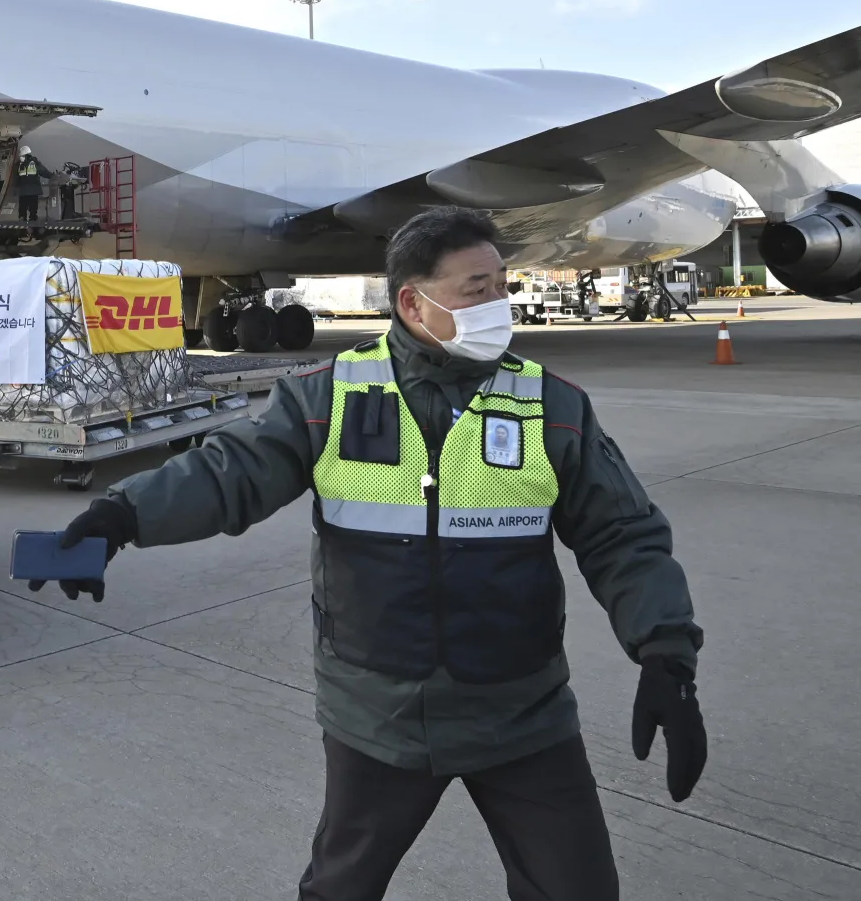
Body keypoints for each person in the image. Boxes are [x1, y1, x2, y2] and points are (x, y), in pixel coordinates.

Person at [36, 207, 707, 900]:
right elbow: (228, 473)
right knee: (340, 888)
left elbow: (622, 534)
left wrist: (666, 653)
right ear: (415, 302)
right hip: (378, 717)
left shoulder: (551, 406)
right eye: (479, 289)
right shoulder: (329, 399)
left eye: (504, 285)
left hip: (521, 714)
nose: (501, 304)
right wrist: (122, 515)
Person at [16, 144, 46, 222]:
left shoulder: (34, 163)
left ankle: (30, 222)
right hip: (27, 191)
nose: (20, 158)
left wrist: (53, 176)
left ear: (26, 155)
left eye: (22, 156)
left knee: (30, 209)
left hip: (29, 191)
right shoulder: (19, 164)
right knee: (26, 209)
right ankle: (26, 221)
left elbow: (44, 172)